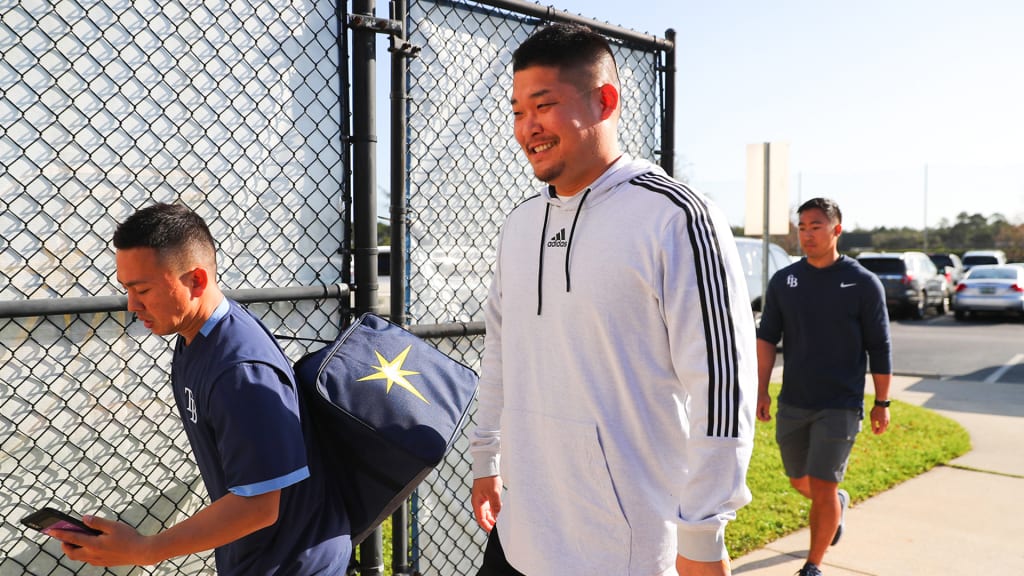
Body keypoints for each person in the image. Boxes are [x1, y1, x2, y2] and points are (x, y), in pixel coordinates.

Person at [469, 23, 757, 576]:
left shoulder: (677, 218)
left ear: (604, 101)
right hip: (519, 534)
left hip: (624, 548)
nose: (528, 127)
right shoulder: (520, 225)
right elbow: (501, 353)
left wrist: (701, 534)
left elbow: (723, 386)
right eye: (516, 110)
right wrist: (488, 457)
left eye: (544, 105)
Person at [49, 203, 350, 575]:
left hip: (294, 564)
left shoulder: (240, 373)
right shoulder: (195, 336)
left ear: (196, 280)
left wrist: (145, 550)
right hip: (261, 556)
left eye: (142, 288)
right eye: (126, 289)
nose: (131, 304)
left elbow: (257, 507)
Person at [755, 197, 892, 576]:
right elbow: (767, 338)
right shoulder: (785, 280)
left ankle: (813, 564)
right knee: (800, 481)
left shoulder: (863, 283)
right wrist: (761, 389)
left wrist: (882, 401)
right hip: (795, 400)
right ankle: (838, 503)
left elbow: (879, 346)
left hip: (841, 403)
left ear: (836, 230)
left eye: (815, 226)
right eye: (802, 227)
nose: (807, 234)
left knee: (823, 484)